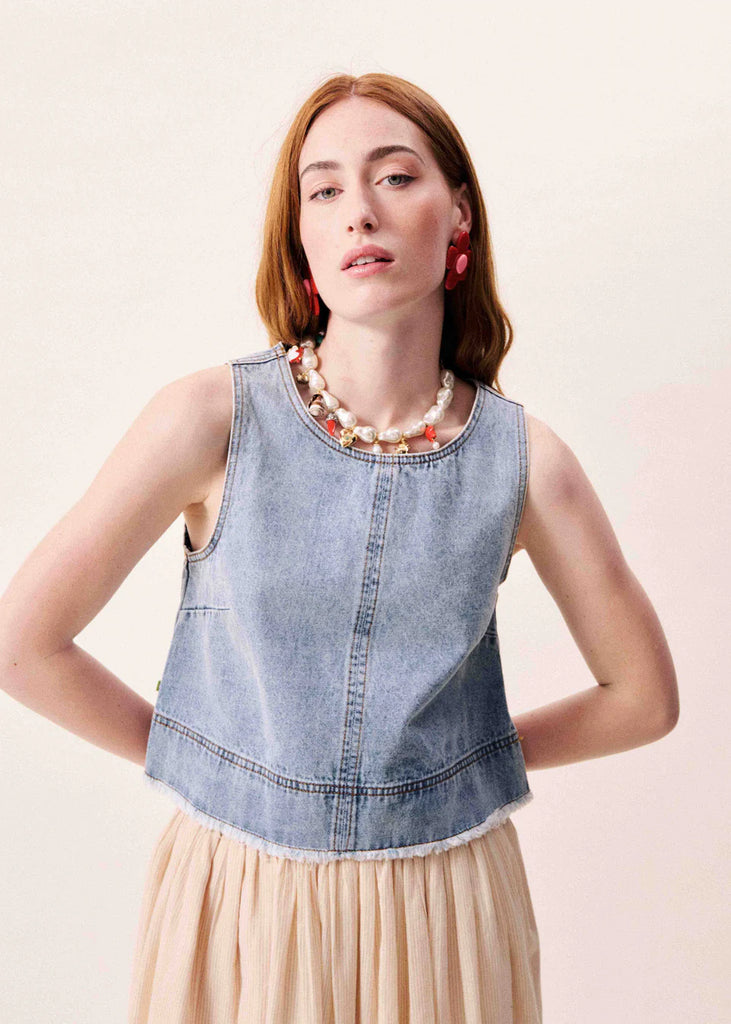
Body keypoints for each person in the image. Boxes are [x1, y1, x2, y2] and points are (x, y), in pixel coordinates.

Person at [0, 72, 679, 1024]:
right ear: (302, 239)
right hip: (240, 891)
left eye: (394, 176)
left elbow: (643, 699)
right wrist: (206, 759)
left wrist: (456, 770)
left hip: (442, 905)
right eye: (323, 190)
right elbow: (23, 644)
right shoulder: (209, 419)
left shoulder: (527, 463)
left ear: (458, 215)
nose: (359, 209)